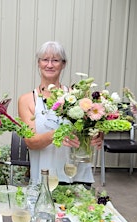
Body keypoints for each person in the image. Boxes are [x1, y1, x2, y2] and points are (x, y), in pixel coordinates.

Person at [18, 41, 102, 186]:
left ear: (63, 64)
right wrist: (59, 134)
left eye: (55, 60)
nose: (49, 65)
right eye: (45, 59)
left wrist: (98, 135)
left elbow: (92, 127)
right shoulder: (27, 100)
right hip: (45, 180)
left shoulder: (78, 97)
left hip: (77, 176)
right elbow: (31, 142)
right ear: (38, 63)